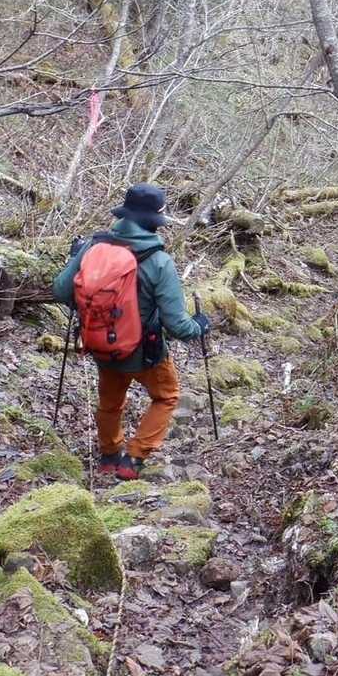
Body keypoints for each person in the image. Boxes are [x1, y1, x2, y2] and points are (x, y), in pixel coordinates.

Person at [53, 183, 211, 480]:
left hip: (100, 344)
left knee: (110, 403)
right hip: (145, 353)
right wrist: (199, 327)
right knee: (166, 397)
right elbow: (177, 325)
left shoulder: (93, 247)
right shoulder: (159, 261)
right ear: (155, 220)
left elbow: (60, 291)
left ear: (124, 214)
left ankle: (109, 456)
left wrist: (77, 263)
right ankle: (135, 458)